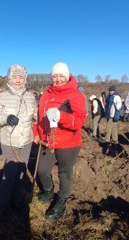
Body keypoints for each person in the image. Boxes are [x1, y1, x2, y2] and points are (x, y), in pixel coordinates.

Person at [34, 62, 86, 221]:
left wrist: (60, 116)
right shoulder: (46, 94)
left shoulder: (75, 95)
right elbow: (39, 117)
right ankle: (48, 192)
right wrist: (36, 132)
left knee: (64, 174)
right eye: (55, 76)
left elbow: (79, 121)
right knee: (42, 170)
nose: (58, 79)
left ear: (68, 76)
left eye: (61, 75)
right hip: (48, 141)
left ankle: (61, 203)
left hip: (68, 143)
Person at [0, 64, 37, 217]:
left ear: (25, 79)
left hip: (26, 141)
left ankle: (16, 200)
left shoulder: (30, 96)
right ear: (10, 78)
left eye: (21, 77)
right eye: (15, 77)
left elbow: (35, 115)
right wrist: (5, 118)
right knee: (9, 174)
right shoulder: (1, 96)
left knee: (21, 173)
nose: (18, 80)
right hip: (9, 141)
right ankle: (2, 206)